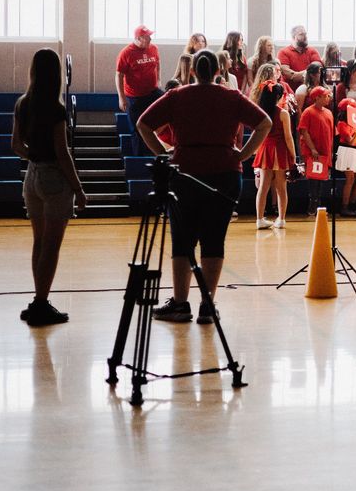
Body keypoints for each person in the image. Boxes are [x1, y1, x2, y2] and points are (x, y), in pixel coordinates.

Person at [137, 50, 271, 324]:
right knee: (214, 239)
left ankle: (180, 303)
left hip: (185, 173)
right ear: (218, 72)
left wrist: (165, 152)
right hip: (224, 173)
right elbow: (264, 123)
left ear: (194, 71)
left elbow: (143, 124)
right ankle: (207, 304)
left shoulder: (178, 96)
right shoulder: (231, 97)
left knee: (182, 241)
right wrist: (243, 154)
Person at [11, 49, 88, 325]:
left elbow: (16, 145)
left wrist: (33, 155)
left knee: (39, 241)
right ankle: (42, 302)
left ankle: (38, 298)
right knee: (52, 245)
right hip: (54, 178)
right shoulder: (55, 109)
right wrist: (78, 188)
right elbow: (62, 152)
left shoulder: (23, 104)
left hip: (31, 176)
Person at [252, 81, 295, 230]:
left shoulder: (259, 113)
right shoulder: (283, 113)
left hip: (265, 149)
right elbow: (288, 137)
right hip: (280, 150)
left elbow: (255, 133)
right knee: (281, 186)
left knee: (263, 186)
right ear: (278, 97)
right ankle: (281, 219)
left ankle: (259, 219)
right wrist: (293, 155)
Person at [116, 25, 162, 156]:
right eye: (147, 37)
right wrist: (121, 97)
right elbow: (119, 75)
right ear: (138, 38)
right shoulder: (127, 52)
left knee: (168, 107)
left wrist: (158, 80)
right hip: (134, 96)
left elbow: (158, 64)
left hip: (152, 91)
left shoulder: (153, 49)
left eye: (150, 37)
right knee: (137, 129)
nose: (150, 40)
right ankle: (139, 160)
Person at [298, 86, 334, 216]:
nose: (328, 98)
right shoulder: (308, 112)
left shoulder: (329, 112)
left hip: (325, 151)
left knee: (322, 180)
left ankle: (319, 205)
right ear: (317, 98)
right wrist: (312, 148)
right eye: (325, 96)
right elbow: (304, 131)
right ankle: (313, 205)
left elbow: (331, 132)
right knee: (313, 180)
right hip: (313, 153)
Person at [336, 97, 356, 217]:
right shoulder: (342, 123)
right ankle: (344, 207)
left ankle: (352, 204)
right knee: (350, 179)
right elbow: (350, 142)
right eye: (354, 107)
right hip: (347, 150)